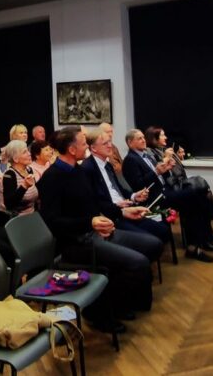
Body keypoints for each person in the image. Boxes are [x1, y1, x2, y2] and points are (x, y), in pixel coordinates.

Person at [38, 127, 155, 329]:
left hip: (94, 232)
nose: (87, 147)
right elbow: (52, 222)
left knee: (152, 245)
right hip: (75, 243)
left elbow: (94, 206)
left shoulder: (78, 171)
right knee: (138, 262)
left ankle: (117, 303)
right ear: (72, 150)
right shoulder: (52, 178)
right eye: (84, 144)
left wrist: (121, 213)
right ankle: (99, 312)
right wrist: (90, 223)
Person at [122, 129, 213, 262]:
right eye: (139, 138)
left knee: (197, 195)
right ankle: (204, 236)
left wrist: (167, 168)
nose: (143, 140)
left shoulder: (146, 155)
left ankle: (200, 241)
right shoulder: (130, 160)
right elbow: (139, 185)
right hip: (155, 199)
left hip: (165, 191)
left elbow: (161, 176)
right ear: (130, 143)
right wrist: (156, 171)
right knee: (193, 195)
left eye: (143, 137)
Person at [82, 128, 168, 254]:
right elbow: (95, 201)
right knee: (152, 242)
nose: (110, 145)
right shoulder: (87, 168)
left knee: (162, 230)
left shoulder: (108, 165)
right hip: (113, 215)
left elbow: (119, 189)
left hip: (127, 208)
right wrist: (117, 207)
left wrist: (134, 196)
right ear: (93, 148)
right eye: (105, 143)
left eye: (110, 141)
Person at [145, 126, 213, 234]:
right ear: (154, 138)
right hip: (168, 191)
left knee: (205, 192)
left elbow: (174, 171)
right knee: (198, 195)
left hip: (175, 185)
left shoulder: (162, 150)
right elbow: (159, 172)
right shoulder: (150, 153)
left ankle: (210, 232)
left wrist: (177, 157)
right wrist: (166, 158)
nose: (166, 137)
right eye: (162, 135)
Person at [0, 140, 39, 216]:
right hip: (16, 218)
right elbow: (9, 204)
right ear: (15, 159)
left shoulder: (29, 170)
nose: (29, 154)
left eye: (28, 151)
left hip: (32, 214)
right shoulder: (9, 175)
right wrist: (24, 187)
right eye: (25, 152)